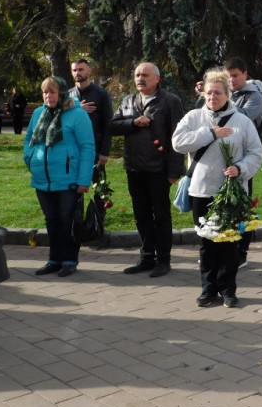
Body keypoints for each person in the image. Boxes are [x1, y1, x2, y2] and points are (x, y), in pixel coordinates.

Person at [172, 69, 262, 308]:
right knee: (206, 243)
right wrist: (209, 133)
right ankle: (208, 288)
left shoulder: (242, 121)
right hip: (201, 190)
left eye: (218, 93)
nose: (212, 97)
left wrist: (240, 168)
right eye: (209, 92)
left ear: (228, 94)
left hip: (231, 193)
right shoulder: (193, 117)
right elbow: (178, 143)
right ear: (203, 93)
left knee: (230, 243)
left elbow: (255, 153)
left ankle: (228, 289)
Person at [110, 62, 185, 277]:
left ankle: (163, 260)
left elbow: (177, 138)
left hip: (158, 170)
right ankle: (146, 257)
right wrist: (134, 122)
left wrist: (174, 171)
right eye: (137, 75)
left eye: (145, 75)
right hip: (134, 168)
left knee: (161, 216)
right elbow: (112, 126)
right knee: (141, 215)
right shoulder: (127, 101)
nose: (139, 78)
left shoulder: (171, 101)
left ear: (157, 78)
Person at [24, 77, 95, 277]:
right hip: (42, 179)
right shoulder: (39, 113)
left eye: (52, 92)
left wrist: (83, 179)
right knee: (51, 220)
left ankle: (69, 260)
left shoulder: (77, 114)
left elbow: (87, 147)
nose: (48, 96)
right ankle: (54, 259)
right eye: (45, 92)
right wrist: (30, 159)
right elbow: (29, 139)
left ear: (62, 93)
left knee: (67, 220)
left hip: (68, 179)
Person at [224, 57, 262, 269]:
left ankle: (242, 252)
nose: (231, 80)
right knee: (224, 205)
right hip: (223, 157)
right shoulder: (225, 93)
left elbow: (246, 118)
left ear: (245, 74)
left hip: (245, 159)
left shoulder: (254, 96)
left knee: (242, 206)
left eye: (235, 75)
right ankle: (224, 248)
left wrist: (224, 101)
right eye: (228, 76)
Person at [70, 59, 113, 168]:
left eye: (80, 69)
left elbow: (108, 125)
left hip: (94, 148)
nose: (77, 73)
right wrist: (76, 108)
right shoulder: (67, 96)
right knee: (72, 184)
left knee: (96, 183)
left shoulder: (101, 94)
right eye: (74, 70)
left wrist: (104, 152)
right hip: (71, 148)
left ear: (89, 71)